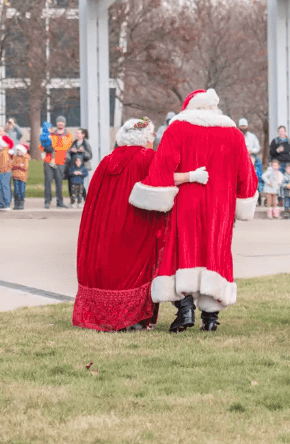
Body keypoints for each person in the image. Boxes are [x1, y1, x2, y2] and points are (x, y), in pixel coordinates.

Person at [130, 89, 258, 333]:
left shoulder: (177, 128)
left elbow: (162, 168)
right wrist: (243, 199)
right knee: (215, 252)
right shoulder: (233, 133)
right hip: (221, 206)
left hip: (186, 202)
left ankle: (185, 308)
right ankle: (210, 318)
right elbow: (246, 173)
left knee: (182, 252)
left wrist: (152, 191)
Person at [74, 118, 210, 331]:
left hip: (107, 226)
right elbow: (163, 177)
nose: (153, 138)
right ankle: (134, 318)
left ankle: (104, 315)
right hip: (134, 223)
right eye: (151, 134)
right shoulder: (146, 157)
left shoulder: (108, 160)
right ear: (144, 137)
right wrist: (193, 175)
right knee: (138, 265)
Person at [43, 116, 73, 209]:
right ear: (56, 123)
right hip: (49, 160)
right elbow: (44, 145)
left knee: (59, 182)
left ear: (64, 123)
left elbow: (65, 146)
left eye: (62, 122)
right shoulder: (50, 134)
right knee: (48, 181)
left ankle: (60, 202)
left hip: (60, 161)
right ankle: (47, 201)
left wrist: (54, 144)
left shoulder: (68, 135)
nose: (60, 123)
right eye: (59, 121)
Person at [0, 137, 13, 211]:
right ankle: (2, 203)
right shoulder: (2, 151)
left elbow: (5, 164)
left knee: (5, 187)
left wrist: (0, 169)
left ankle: (6, 204)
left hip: (4, 172)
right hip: (2, 172)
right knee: (1, 188)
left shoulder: (4, 152)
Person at [10, 144, 29, 210]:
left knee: (22, 191)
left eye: (20, 151)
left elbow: (25, 167)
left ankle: (21, 204)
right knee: (16, 191)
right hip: (15, 176)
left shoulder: (25, 158)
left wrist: (18, 166)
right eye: (18, 151)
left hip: (23, 177)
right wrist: (19, 165)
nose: (19, 152)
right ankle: (16, 204)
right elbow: (12, 165)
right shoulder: (15, 157)